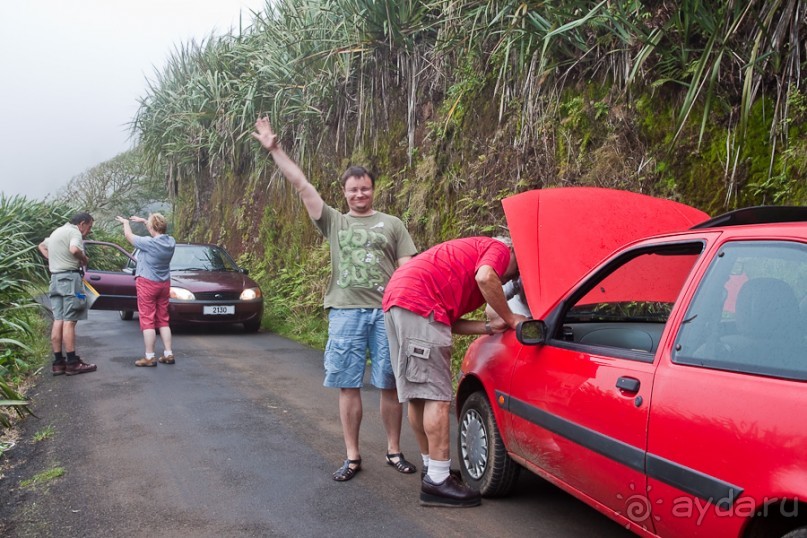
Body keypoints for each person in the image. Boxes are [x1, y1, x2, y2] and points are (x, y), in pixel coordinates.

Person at [252, 117, 419, 481]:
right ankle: (353, 456)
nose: (359, 194)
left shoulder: (393, 224)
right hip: (345, 312)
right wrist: (275, 149)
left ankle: (393, 450)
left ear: (374, 190)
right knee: (348, 383)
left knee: (390, 383)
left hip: (386, 313)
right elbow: (301, 184)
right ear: (344, 192)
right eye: (353, 190)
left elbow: (408, 269)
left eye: (365, 188)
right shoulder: (333, 221)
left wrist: (409, 305)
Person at [382, 236, 527, 507]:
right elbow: (486, 277)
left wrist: (488, 328)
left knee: (418, 395)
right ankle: (438, 482)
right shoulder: (498, 249)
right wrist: (510, 318)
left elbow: (448, 321)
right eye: (516, 272)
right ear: (512, 250)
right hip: (419, 303)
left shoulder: (461, 263)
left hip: (399, 301)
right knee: (436, 396)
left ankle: (431, 468)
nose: (512, 279)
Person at [38, 212, 98, 376]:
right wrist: (84, 259)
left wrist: (53, 259)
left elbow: (42, 246)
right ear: (82, 223)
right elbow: (73, 249)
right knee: (70, 320)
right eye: (89, 227)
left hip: (55, 279)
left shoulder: (57, 232)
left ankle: (58, 362)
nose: (88, 231)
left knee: (59, 318)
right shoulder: (74, 232)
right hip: (71, 279)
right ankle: (72, 362)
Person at [116, 214, 176, 367]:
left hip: (147, 283)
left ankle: (149, 356)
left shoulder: (148, 243)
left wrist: (125, 223)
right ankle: (168, 353)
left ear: (151, 228)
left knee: (147, 319)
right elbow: (156, 231)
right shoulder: (171, 241)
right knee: (163, 319)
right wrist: (145, 222)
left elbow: (128, 235)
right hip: (164, 283)